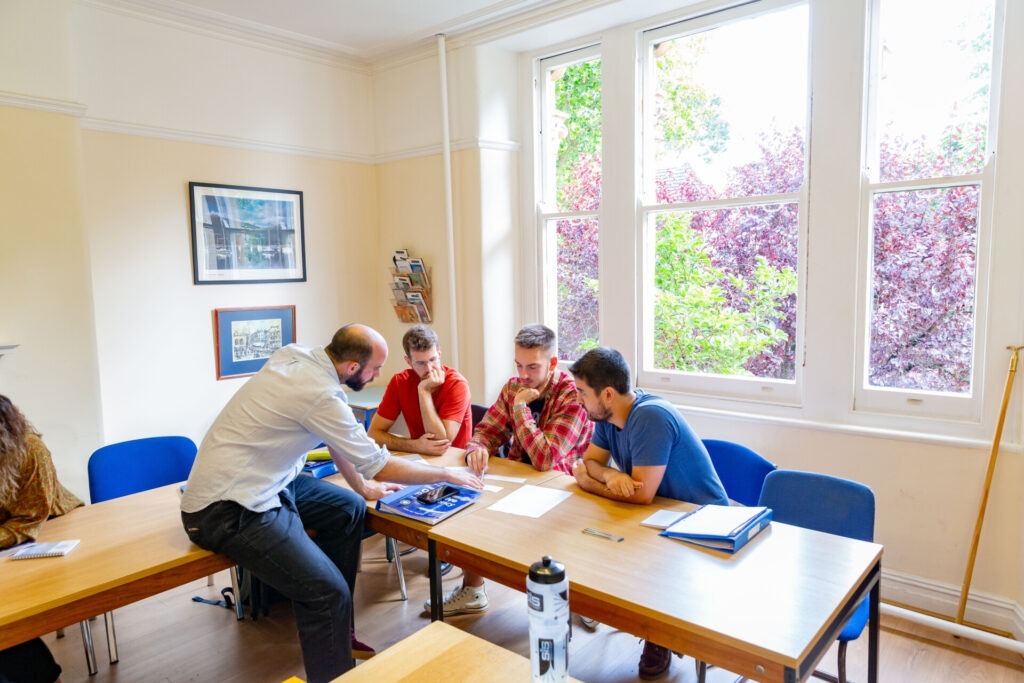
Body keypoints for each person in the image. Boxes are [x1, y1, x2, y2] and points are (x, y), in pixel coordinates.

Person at [180, 324, 482, 683]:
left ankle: (335, 632)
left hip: (273, 483)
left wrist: (362, 487)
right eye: (374, 369)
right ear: (352, 367)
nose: (378, 375)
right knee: (327, 593)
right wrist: (446, 476)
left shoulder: (297, 356)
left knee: (349, 509)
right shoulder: (320, 393)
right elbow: (380, 463)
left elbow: (336, 434)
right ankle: (330, 643)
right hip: (226, 508)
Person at [568, 346, 727, 679]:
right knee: (597, 538)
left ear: (607, 394)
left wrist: (586, 480)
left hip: (704, 526)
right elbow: (592, 462)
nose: (579, 400)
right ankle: (652, 621)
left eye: (583, 393)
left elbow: (639, 495)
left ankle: (661, 633)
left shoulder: (649, 417)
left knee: (626, 550)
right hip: (661, 515)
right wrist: (609, 475)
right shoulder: (608, 418)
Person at [427, 324, 593, 617]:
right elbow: (487, 430)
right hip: (519, 479)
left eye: (532, 366)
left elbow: (546, 459)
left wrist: (520, 409)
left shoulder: (572, 396)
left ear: (552, 363)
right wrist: (478, 447)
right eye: (518, 365)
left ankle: (583, 599)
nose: (524, 374)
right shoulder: (514, 386)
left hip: (563, 487)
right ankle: (473, 590)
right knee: (470, 508)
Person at [0, 394, 83, 683]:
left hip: (52, 526)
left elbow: (30, 519)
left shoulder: (31, 451)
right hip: (9, 540)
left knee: (8, 614)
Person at [367, 324, 471, 456]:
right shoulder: (400, 382)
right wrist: (414, 446)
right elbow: (373, 434)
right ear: (409, 362)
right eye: (421, 363)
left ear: (439, 353)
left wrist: (424, 391)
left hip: (455, 461)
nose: (429, 369)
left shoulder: (457, 384)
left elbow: (440, 442)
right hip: (421, 459)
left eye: (433, 360)